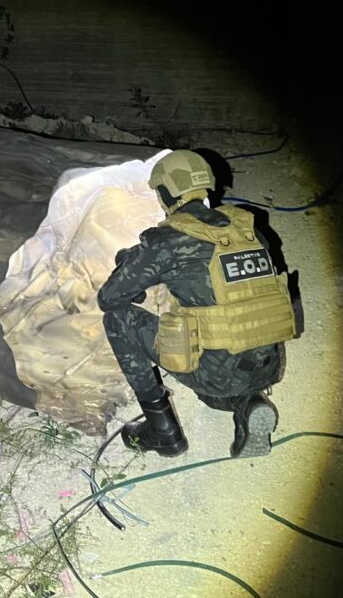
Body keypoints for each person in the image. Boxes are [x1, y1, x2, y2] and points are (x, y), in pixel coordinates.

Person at [97, 149, 301, 458]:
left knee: (116, 319)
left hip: (217, 374)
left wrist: (132, 265)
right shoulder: (248, 229)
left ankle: (163, 432)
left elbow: (109, 298)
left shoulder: (166, 241)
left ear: (166, 192)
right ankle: (249, 402)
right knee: (214, 381)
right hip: (266, 366)